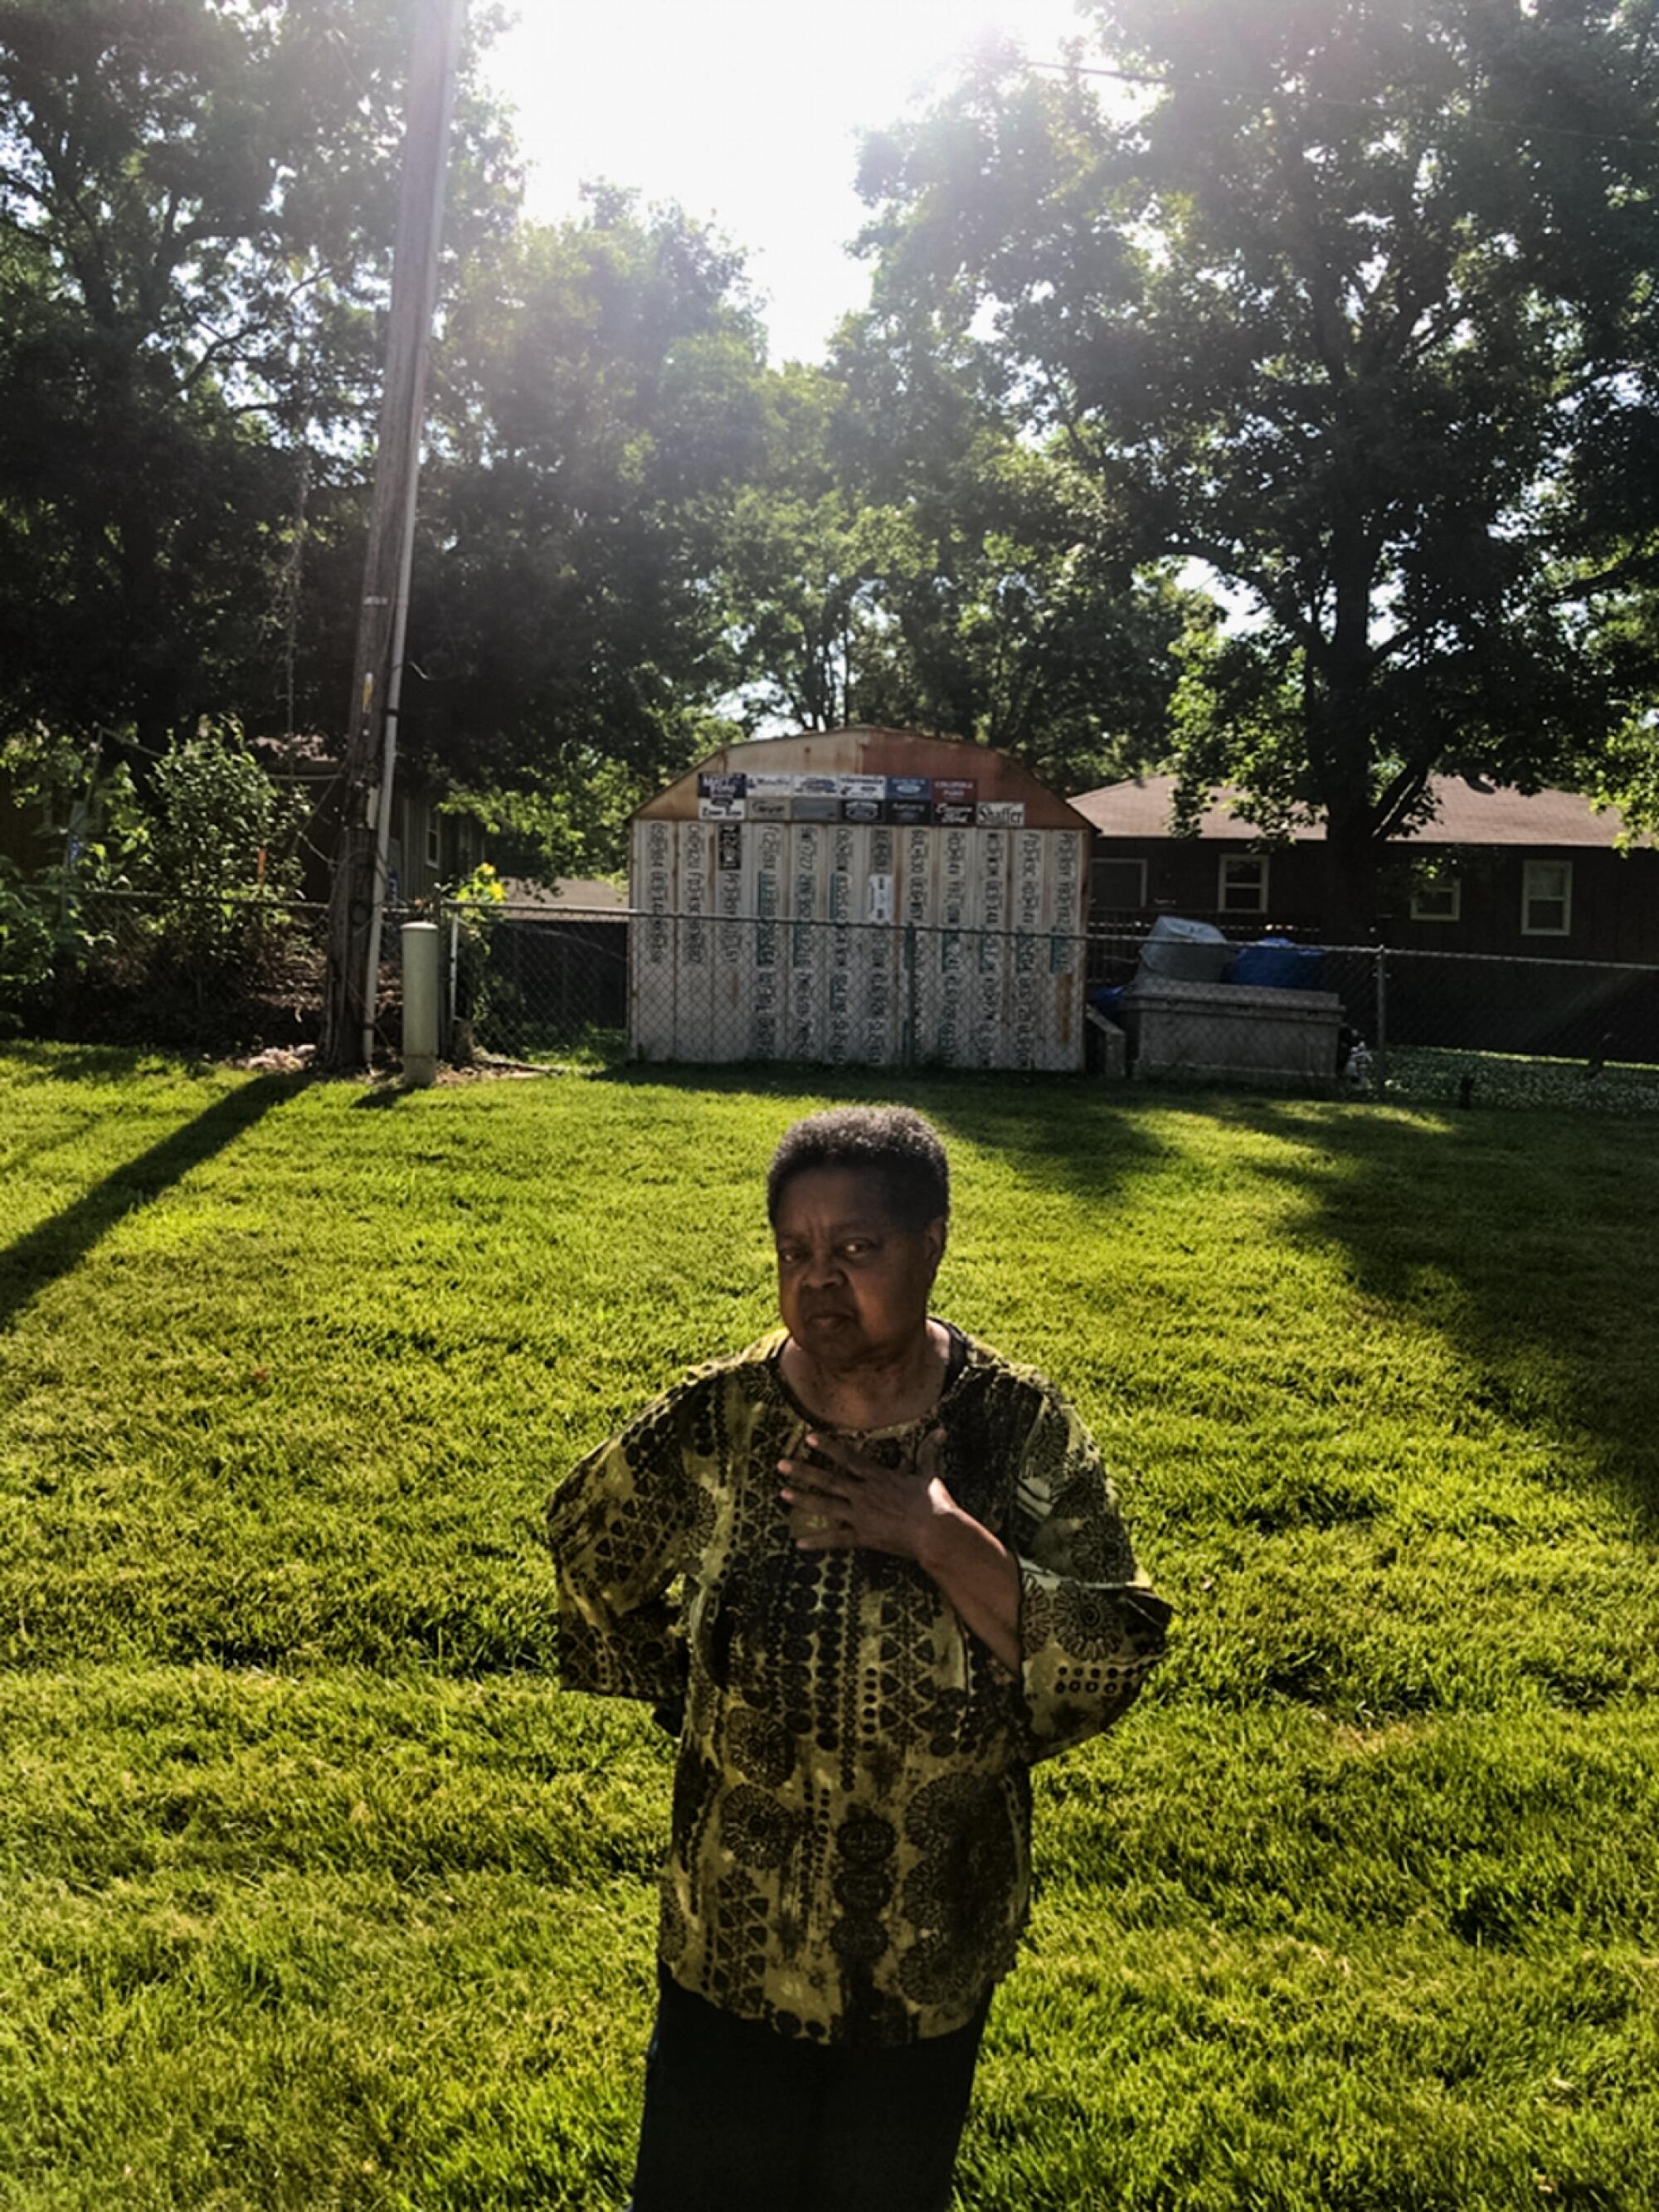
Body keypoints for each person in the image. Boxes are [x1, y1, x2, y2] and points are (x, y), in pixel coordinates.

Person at [547, 1106, 1170, 2212]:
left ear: (932, 1242)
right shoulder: (722, 1418)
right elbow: (591, 1557)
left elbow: (1110, 1654)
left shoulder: (1015, 1431)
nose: (820, 1283)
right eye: (797, 1253)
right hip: (731, 1942)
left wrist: (934, 1534)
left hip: (923, 1946)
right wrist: (684, 1702)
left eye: (857, 1251)